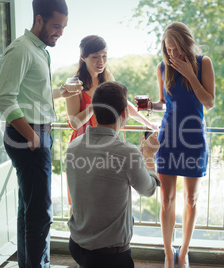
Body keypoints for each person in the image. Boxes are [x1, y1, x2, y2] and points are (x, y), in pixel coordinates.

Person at [0, 0, 78, 267]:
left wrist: (59, 93)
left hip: (37, 135)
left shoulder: (40, 50)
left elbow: (30, 94)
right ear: (39, 20)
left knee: (28, 209)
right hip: (28, 138)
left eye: (64, 27)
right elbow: (5, 99)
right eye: (56, 26)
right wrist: (32, 137)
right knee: (40, 214)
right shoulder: (21, 50)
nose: (60, 33)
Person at [66, 81, 161, 268]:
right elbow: (148, 189)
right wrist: (148, 155)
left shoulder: (73, 147)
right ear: (124, 113)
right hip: (110, 258)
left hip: (77, 246)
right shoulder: (127, 152)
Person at [149, 22, 215, 268]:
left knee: (191, 199)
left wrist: (189, 74)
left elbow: (209, 102)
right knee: (167, 200)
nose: (174, 54)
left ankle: (184, 251)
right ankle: (168, 254)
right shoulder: (162, 67)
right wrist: (150, 105)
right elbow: (164, 102)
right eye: (169, 49)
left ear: (187, 43)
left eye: (177, 48)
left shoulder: (203, 63)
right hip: (169, 137)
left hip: (194, 137)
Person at [64, 35, 158, 208]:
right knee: (81, 202)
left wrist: (148, 123)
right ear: (83, 57)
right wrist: (95, 103)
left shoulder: (107, 76)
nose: (101, 61)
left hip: (108, 142)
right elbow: (74, 123)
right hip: (85, 144)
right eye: (95, 57)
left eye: (104, 56)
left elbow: (123, 103)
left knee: (106, 196)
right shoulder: (74, 84)